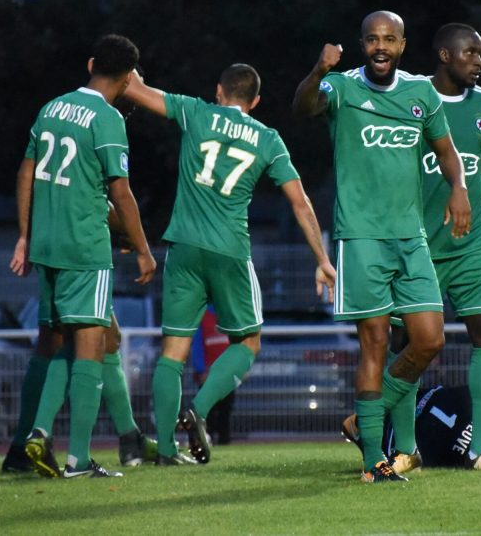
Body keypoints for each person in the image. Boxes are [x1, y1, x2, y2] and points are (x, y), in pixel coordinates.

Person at [123, 62, 336, 466]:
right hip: (229, 251)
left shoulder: (196, 111)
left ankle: (167, 449)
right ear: (255, 102)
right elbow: (299, 202)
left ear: (219, 91)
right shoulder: (268, 140)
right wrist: (322, 259)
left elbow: (135, 90)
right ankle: (199, 410)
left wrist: (127, 67)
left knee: (173, 351)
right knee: (249, 342)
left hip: (183, 247)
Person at [292, 10, 471, 483]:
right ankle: (374, 457)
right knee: (373, 344)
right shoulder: (343, 87)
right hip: (361, 238)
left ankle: (365, 418)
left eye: (389, 39)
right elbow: (303, 107)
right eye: (372, 39)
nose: (380, 47)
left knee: (430, 338)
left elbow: (447, 151)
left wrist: (460, 188)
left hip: (410, 238)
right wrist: (318, 70)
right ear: (362, 43)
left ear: (402, 45)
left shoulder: (421, 93)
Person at [11, 34, 157, 479]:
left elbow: (27, 171)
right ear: (129, 77)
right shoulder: (108, 119)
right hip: (84, 248)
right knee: (92, 346)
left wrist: (24, 236)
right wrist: (145, 249)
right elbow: (120, 190)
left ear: (92, 62)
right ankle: (78, 459)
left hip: (48, 247)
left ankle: (36, 434)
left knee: (60, 342)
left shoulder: (51, 108)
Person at [390, 23, 481, 471]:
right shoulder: (409, 99)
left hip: (475, 241)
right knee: (408, 343)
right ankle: (404, 447)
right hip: (419, 244)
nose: (479, 61)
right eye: (471, 53)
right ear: (444, 55)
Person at [341, 381, 481, 469]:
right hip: (397, 431)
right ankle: (360, 426)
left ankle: (362, 423)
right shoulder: (449, 460)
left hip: (416, 395)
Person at [191, 305, 235, 445]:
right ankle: (206, 440)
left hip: (227, 374)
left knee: (226, 410)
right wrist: (201, 369)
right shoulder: (202, 317)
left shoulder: (230, 315)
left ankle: (224, 441)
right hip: (208, 375)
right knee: (207, 410)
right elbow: (197, 345)